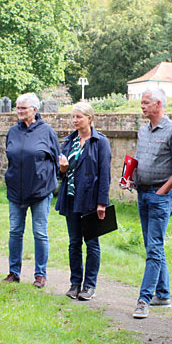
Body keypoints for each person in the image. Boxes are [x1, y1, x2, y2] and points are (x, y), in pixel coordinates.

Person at [127, 88, 172, 319]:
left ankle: (144, 299)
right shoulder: (143, 130)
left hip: (160, 196)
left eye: (145, 102)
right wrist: (129, 177)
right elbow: (139, 160)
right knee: (152, 246)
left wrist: (162, 191)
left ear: (158, 104)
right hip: (143, 194)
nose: (141, 106)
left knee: (153, 247)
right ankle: (162, 294)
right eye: (141, 102)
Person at [55, 102, 111, 301]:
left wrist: (102, 203)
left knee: (92, 243)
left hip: (90, 200)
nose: (75, 121)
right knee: (73, 243)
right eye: (73, 117)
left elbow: (105, 174)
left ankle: (89, 286)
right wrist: (62, 169)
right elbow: (62, 174)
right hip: (71, 199)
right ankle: (75, 283)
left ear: (90, 118)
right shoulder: (68, 142)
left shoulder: (100, 142)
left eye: (79, 117)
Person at [4, 93, 60, 288]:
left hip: (39, 191)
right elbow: (9, 155)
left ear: (34, 110)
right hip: (15, 191)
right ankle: (13, 272)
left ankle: (40, 274)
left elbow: (56, 160)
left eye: (23, 108)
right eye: (18, 108)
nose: (19, 111)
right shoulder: (12, 131)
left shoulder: (47, 132)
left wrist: (47, 182)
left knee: (40, 232)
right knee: (15, 231)